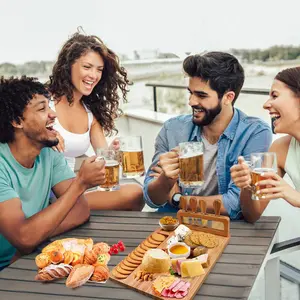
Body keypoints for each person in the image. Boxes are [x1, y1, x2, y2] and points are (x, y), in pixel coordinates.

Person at [143, 52, 272, 219]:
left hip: (222, 229)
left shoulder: (254, 133)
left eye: (201, 95)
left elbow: (235, 203)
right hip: (173, 225)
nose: (191, 102)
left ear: (228, 97)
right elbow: (151, 198)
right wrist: (166, 180)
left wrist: (178, 200)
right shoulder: (172, 129)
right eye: (190, 92)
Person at [0, 76, 108, 270]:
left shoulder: (48, 152)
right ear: (17, 121)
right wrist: (80, 183)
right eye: (42, 109)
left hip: (29, 257)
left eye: (49, 106)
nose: (53, 114)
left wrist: (35, 237)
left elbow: (81, 210)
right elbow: (23, 237)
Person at [47, 32, 144, 211]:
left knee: (137, 193)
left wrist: (113, 152)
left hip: (72, 190)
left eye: (99, 69)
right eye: (87, 67)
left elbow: (103, 158)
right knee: (134, 193)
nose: (93, 75)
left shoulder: (90, 115)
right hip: (48, 192)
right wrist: (46, 136)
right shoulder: (44, 103)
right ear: (68, 66)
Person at [230, 67, 300, 223]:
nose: (266, 104)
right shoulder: (280, 149)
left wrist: (297, 197)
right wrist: (247, 187)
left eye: (274, 96)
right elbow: (252, 215)